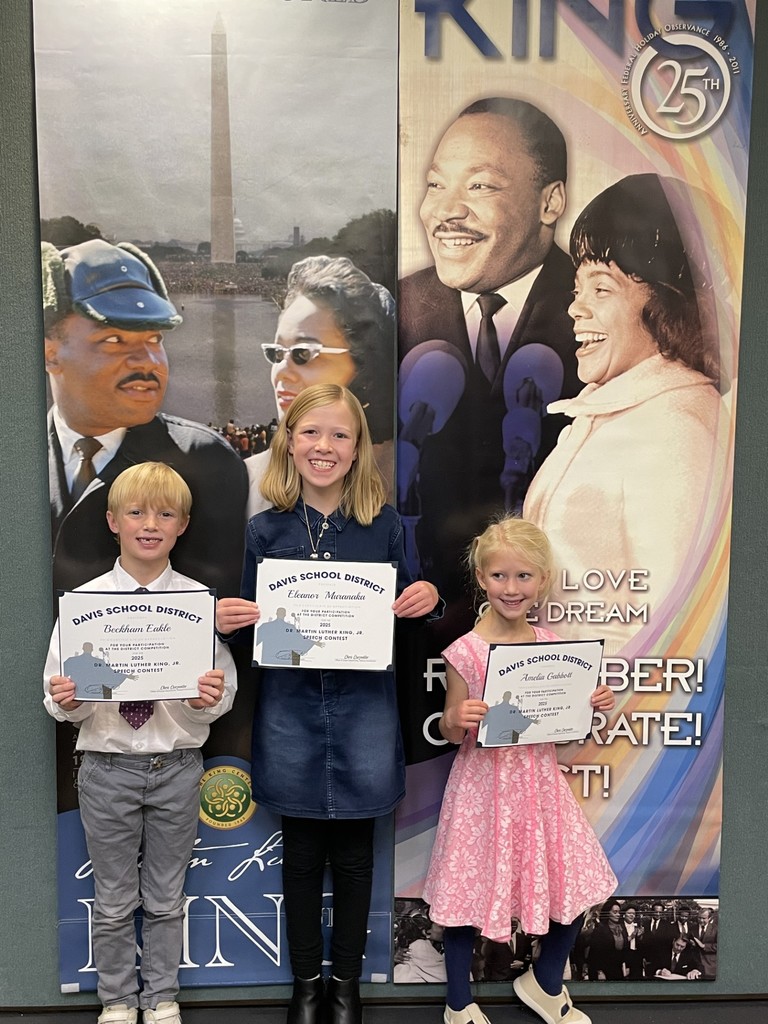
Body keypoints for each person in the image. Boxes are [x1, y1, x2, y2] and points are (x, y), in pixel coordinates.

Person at [216, 384, 440, 1024]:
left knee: (355, 855)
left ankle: (346, 986)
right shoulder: (266, 529)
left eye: (340, 435)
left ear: (358, 447)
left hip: (366, 710)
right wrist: (230, 622)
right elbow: (251, 629)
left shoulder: (386, 526)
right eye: (311, 432)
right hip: (290, 711)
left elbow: (412, 616)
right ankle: (306, 985)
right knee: (302, 854)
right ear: (289, 439)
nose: (325, 446)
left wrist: (428, 602)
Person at [43, 462, 237, 1024]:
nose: (150, 524)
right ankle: (118, 1000)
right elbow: (58, 705)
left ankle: (161, 998)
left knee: (164, 896)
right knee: (112, 899)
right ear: (112, 521)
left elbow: (222, 692)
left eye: (165, 513)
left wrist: (210, 698)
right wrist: (71, 696)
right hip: (105, 764)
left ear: (182, 525)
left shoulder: (197, 604)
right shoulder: (84, 606)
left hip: (176, 763)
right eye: (136, 512)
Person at [421, 517, 616, 1024]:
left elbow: (563, 728)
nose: (512, 588)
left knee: (574, 884)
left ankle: (546, 983)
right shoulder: (464, 650)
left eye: (524, 577)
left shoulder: (553, 645)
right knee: (468, 895)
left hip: (537, 783)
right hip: (482, 789)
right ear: (482, 578)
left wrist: (589, 703)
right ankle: (459, 1003)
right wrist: (454, 719)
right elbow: (446, 727)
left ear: (542, 581)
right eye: (501, 576)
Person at [398, 96, 580, 629]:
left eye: (479, 186)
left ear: (550, 203)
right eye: (436, 185)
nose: (447, 210)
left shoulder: (609, 317)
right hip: (423, 626)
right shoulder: (397, 310)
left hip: (563, 620)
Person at [524, 173, 726, 654]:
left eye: (602, 289)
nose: (575, 309)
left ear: (665, 303)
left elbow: (677, 627)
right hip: (561, 712)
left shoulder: (674, 430)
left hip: (613, 719)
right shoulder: (618, 413)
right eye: (578, 289)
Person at [42, 238, 248, 600]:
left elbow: (216, 605)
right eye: (114, 339)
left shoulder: (205, 460)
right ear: (50, 354)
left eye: (154, 338)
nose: (147, 361)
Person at [246, 255, 395, 516]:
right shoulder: (243, 484)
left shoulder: (412, 482)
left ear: (365, 366)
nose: (282, 372)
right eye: (277, 354)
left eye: (303, 353)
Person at [587, 900, 629, 981]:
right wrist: (599, 972)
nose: (618, 915)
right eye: (615, 912)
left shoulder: (621, 928)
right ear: (608, 913)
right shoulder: (600, 929)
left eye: (619, 912)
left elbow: (625, 948)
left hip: (617, 970)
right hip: (603, 971)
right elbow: (594, 953)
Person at [689, 906, 717, 979]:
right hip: (695, 966)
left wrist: (704, 946)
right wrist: (691, 943)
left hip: (710, 967)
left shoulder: (716, 929)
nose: (701, 920)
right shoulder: (692, 928)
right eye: (699, 918)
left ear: (710, 918)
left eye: (703, 918)